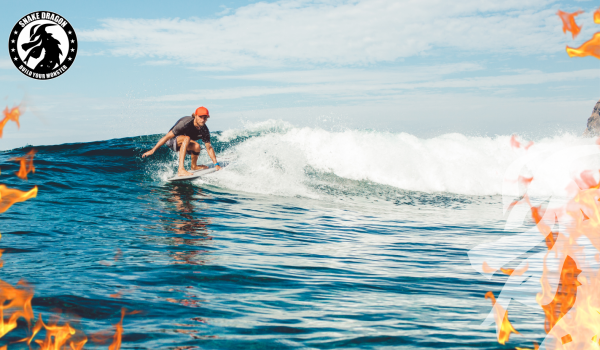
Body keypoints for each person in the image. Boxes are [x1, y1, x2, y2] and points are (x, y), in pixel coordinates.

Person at [142, 107, 221, 176]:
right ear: (195, 116)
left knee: (197, 146)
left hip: (185, 142)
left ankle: (194, 166)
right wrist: (153, 150)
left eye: (205, 118)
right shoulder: (185, 123)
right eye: (200, 117)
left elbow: (209, 148)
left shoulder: (204, 130)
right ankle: (181, 169)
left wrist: (216, 164)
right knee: (187, 138)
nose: (202, 120)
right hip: (172, 141)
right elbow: (167, 137)